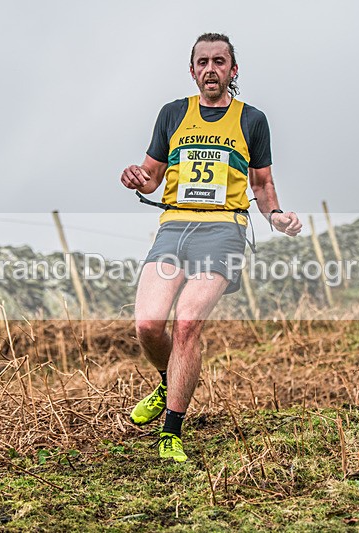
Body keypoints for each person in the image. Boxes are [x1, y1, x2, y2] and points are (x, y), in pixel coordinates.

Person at [120, 33, 302, 462]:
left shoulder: (251, 120)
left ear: (232, 70)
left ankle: (171, 431)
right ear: (192, 70)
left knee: (187, 324)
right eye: (203, 62)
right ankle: (170, 380)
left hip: (223, 232)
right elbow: (152, 175)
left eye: (220, 61)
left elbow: (261, 183)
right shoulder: (173, 114)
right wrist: (134, 177)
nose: (211, 69)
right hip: (173, 229)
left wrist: (276, 216)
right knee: (148, 325)